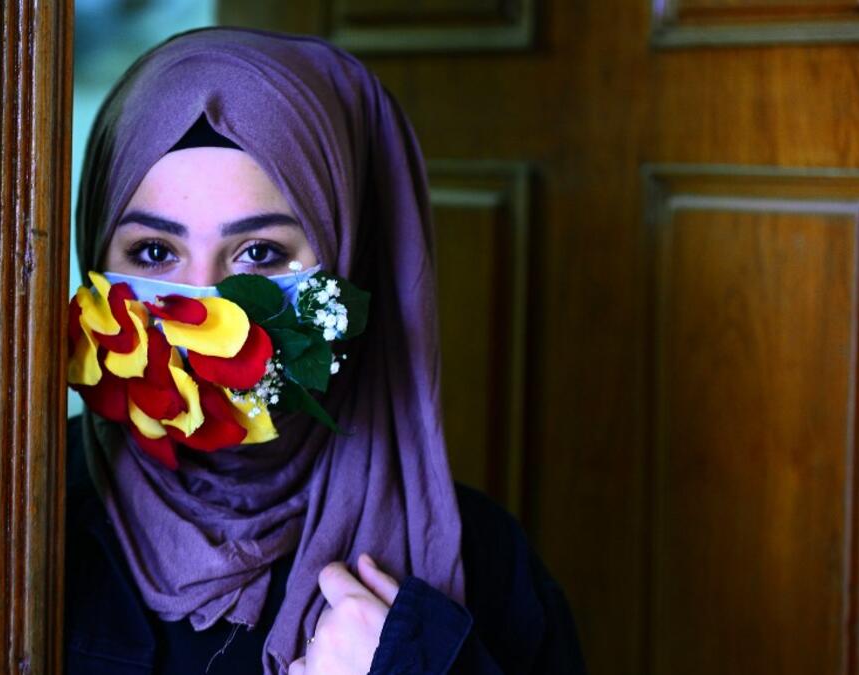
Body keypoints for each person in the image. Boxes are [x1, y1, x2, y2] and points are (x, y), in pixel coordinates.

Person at [64, 26, 585, 675]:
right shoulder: (23, 519)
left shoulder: (488, 565)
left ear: (350, 262)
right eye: (153, 252)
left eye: (260, 253)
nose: (203, 307)